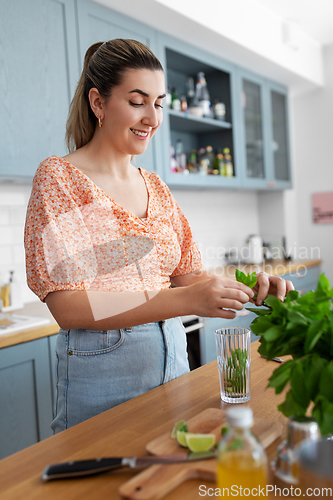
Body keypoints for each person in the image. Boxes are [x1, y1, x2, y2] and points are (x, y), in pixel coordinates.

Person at [24, 39, 294, 433]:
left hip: (174, 358)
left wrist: (251, 286)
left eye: (159, 102)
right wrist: (184, 299)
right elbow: (67, 306)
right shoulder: (61, 178)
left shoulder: (156, 186)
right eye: (137, 101)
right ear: (98, 103)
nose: (152, 117)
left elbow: (187, 275)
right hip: (101, 371)